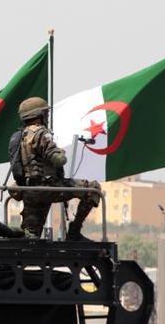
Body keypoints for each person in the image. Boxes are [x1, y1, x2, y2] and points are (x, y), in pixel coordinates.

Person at [8, 97, 101, 240]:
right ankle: (74, 232)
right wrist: (61, 152)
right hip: (48, 188)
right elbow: (59, 160)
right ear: (39, 115)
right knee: (92, 189)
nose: (47, 116)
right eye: (46, 113)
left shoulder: (19, 136)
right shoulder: (41, 133)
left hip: (29, 191)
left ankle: (0, 229)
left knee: (29, 237)